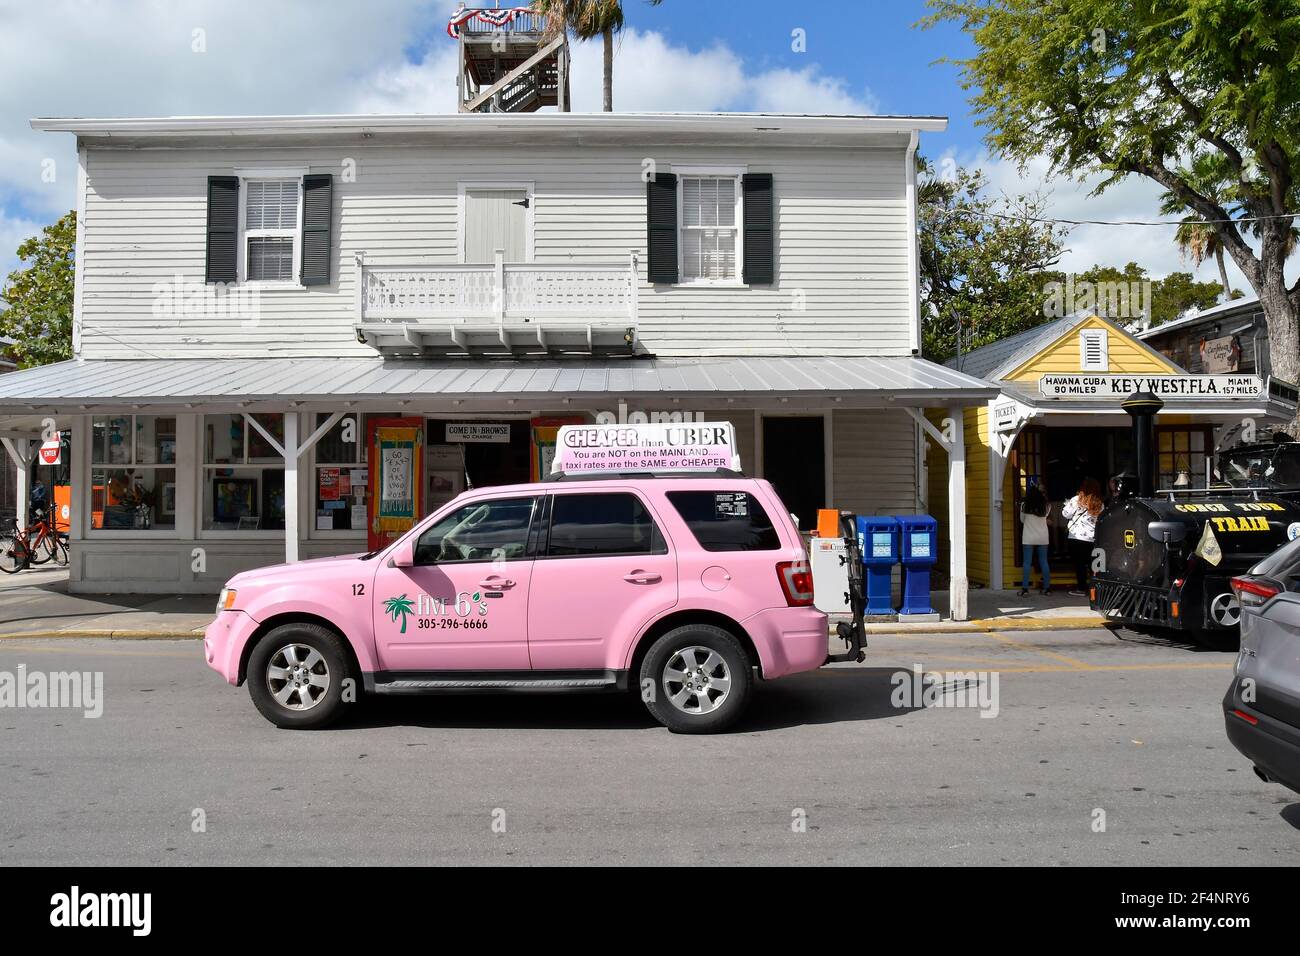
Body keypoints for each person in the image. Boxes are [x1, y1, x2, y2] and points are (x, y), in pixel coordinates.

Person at [1061, 477, 1104, 596]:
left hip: (1076, 537)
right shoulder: (1100, 502)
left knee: (1079, 564)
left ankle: (1081, 588)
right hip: (1093, 538)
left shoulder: (1076, 500)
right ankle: (1095, 590)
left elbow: (1065, 514)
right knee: (1093, 565)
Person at [1018, 484, 1051, 596]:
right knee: (1044, 561)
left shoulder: (1024, 505)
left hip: (1028, 536)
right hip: (1042, 536)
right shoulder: (1046, 505)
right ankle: (1047, 588)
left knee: (1027, 563)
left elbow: (1022, 520)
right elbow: (1046, 516)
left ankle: (1025, 589)